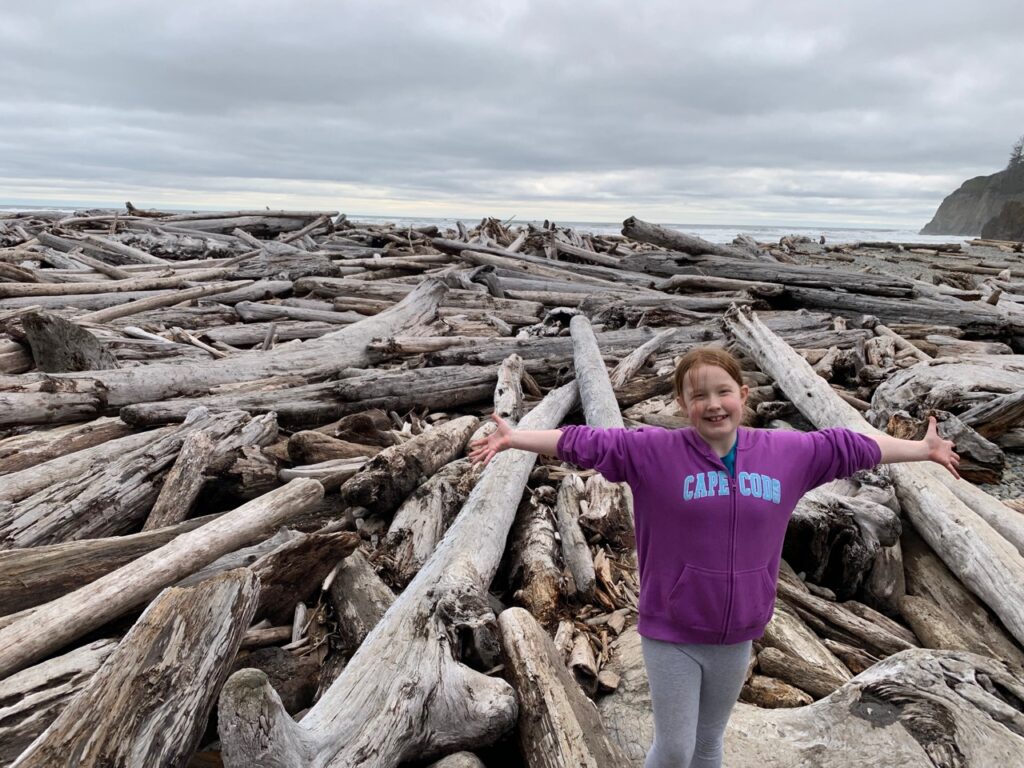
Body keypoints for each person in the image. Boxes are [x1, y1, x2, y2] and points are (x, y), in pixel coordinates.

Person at [469, 346, 960, 768]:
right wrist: (514, 439)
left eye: (722, 391)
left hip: (739, 631)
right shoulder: (654, 452)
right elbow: (585, 442)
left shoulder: (787, 453)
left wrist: (920, 448)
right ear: (682, 404)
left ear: (743, 396)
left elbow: (854, 447)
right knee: (677, 750)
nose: (713, 404)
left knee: (708, 746)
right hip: (673, 630)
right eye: (698, 395)